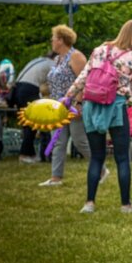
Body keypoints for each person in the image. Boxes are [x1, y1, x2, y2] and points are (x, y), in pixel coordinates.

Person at [63, 19, 132, 214]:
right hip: (116, 109)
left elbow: (82, 78)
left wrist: (67, 98)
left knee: (96, 157)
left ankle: (89, 203)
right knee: (122, 158)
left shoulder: (100, 50)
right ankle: (125, 204)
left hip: (91, 107)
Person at [38, 25, 98, 187]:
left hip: (73, 106)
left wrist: (78, 103)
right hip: (57, 107)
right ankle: (56, 177)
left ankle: (100, 168)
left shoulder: (76, 56)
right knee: (58, 141)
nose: (52, 41)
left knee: (79, 141)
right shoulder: (57, 59)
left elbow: (84, 81)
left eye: (54, 38)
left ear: (61, 40)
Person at [15, 52, 56, 163]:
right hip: (29, 89)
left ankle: (31, 154)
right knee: (32, 123)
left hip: (17, 88)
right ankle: (24, 155)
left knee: (27, 123)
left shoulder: (37, 59)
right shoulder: (52, 63)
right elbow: (55, 83)